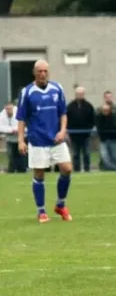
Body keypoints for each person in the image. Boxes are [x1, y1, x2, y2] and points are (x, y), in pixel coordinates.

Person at [16, 60, 73, 223]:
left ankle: (60, 204)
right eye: (39, 71)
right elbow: (21, 119)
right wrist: (21, 141)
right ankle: (41, 211)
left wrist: (63, 131)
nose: (42, 74)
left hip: (56, 139)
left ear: (49, 72)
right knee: (39, 174)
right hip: (37, 139)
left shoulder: (57, 88)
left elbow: (63, 112)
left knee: (67, 169)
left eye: (45, 71)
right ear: (34, 73)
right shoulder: (27, 92)